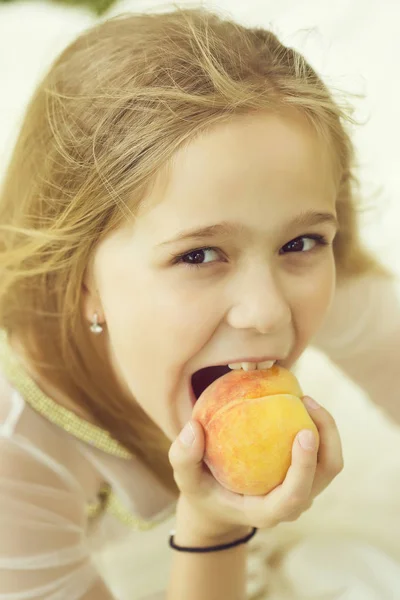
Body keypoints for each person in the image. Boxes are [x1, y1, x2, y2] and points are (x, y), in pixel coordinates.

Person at [0, 7, 397, 600]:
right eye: (199, 256)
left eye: (302, 240)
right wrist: (214, 529)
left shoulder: (298, 263)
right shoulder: (16, 463)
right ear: (82, 279)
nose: (266, 312)